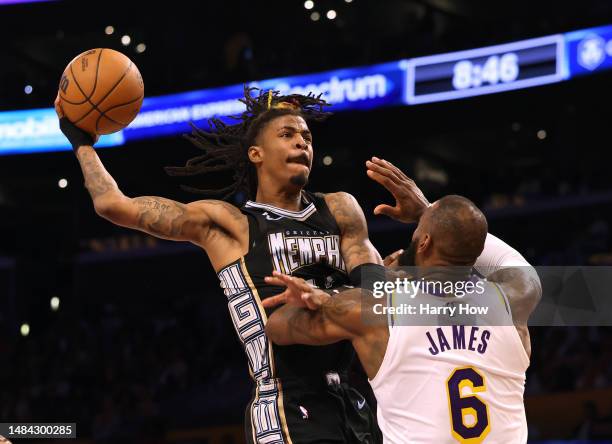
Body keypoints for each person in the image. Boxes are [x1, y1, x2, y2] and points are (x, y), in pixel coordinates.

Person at [54, 87, 384, 443]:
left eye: (307, 136)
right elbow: (112, 205)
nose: (302, 143)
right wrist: (79, 140)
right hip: (286, 403)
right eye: (286, 135)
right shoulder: (228, 224)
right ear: (255, 153)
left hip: (352, 402)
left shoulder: (340, 209)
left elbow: (381, 302)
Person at [264, 157, 542, 443]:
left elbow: (277, 327)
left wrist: (327, 296)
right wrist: (427, 211)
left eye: (418, 229)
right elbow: (510, 263)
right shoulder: (514, 300)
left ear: (423, 242)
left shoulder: (376, 310)